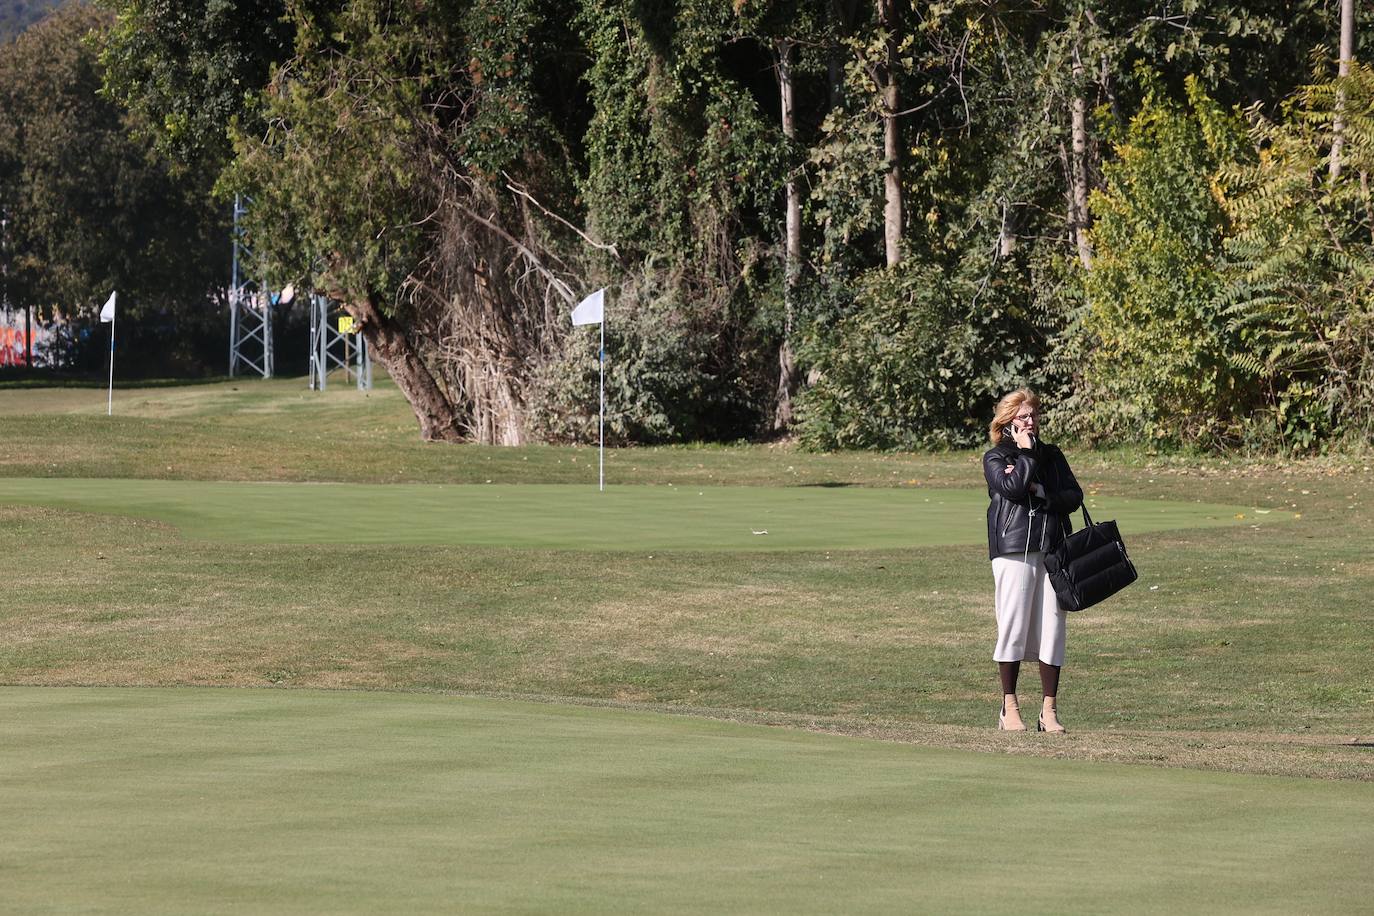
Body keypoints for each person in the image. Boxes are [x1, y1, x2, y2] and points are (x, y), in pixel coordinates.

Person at [982, 388, 1082, 733]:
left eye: (1033, 415)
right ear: (1008, 422)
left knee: (1053, 627)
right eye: (1022, 416)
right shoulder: (996, 457)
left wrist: (1044, 494)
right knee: (1012, 625)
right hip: (1013, 550)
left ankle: (1049, 711)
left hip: (1053, 549)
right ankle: (1009, 707)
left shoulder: (1052, 455)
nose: (1030, 421)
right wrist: (1025, 455)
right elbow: (1011, 488)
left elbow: (1074, 495)